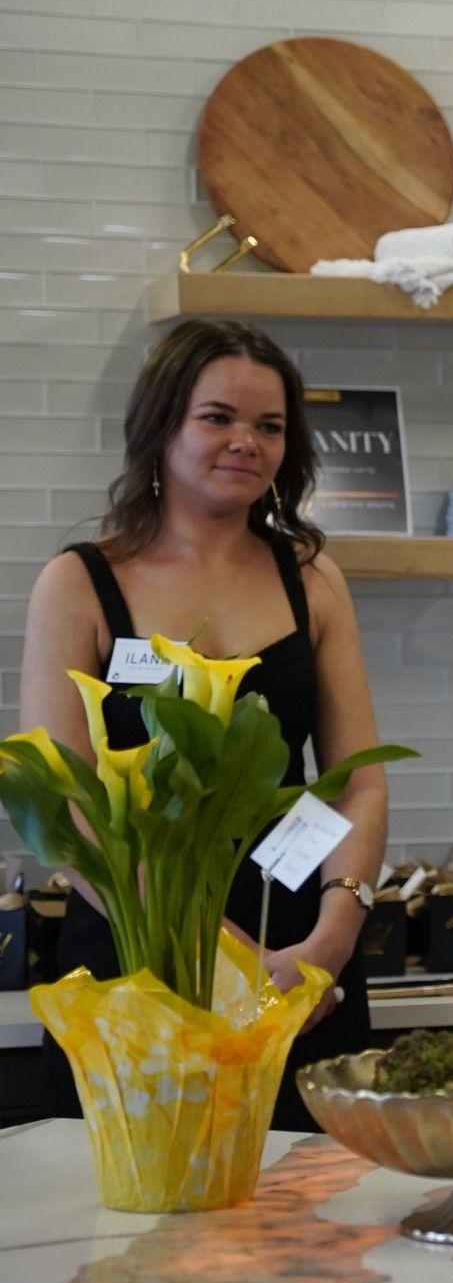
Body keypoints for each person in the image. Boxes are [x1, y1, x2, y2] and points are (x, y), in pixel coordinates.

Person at [22, 317, 390, 1133]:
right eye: (217, 417)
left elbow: (358, 779)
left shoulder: (311, 578)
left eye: (269, 426)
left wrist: (328, 943)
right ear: (162, 424)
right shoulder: (80, 583)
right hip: (140, 947)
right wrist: (214, 952)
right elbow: (65, 804)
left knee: (312, 1225)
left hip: (296, 959)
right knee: (138, 1222)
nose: (245, 443)